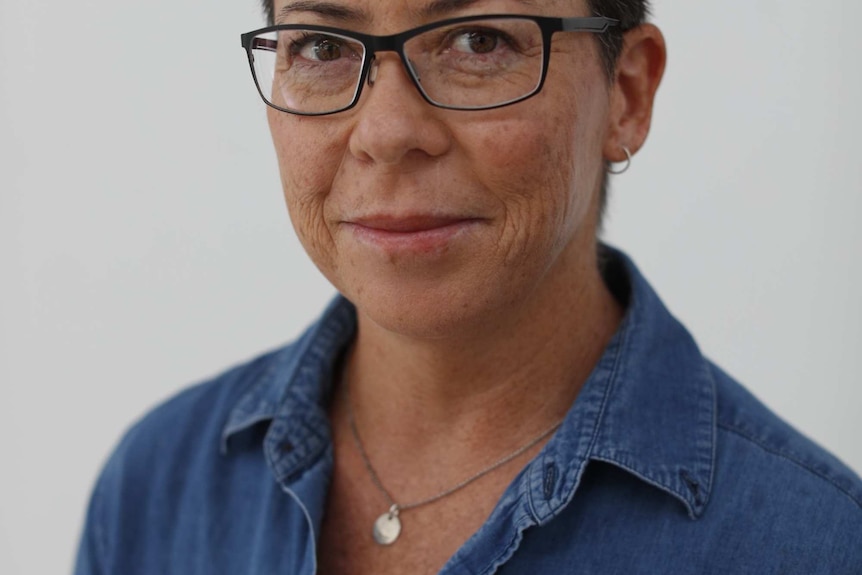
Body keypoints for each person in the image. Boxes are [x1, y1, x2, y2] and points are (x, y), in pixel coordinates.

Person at [74, 0, 862, 573]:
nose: (385, 133)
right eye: (321, 46)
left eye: (478, 41)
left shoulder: (817, 547)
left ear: (627, 93)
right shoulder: (157, 489)